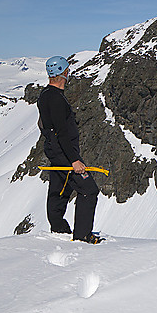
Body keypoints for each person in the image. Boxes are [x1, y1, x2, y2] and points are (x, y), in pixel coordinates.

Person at [37, 56, 102, 243]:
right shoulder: (57, 99)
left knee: (59, 188)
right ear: (65, 73)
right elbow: (62, 133)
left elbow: (43, 124)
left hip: (55, 151)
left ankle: (58, 228)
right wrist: (74, 159)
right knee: (88, 190)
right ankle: (83, 235)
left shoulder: (45, 95)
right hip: (64, 153)